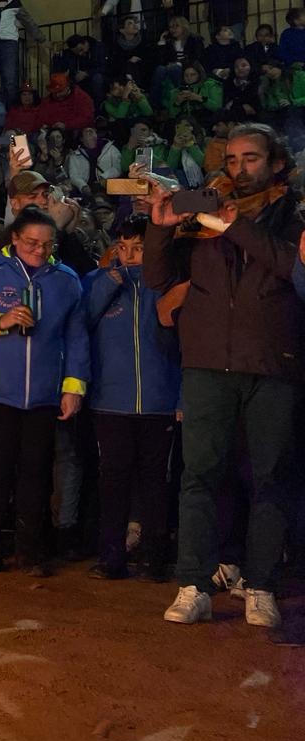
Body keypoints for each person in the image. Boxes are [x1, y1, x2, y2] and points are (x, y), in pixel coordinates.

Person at [145, 124, 300, 629]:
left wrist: (233, 225)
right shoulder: (201, 211)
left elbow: (290, 267)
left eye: (251, 158)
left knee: (271, 479)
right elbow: (156, 277)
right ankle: (194, 583)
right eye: (232, 159)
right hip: (208, 362)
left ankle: (261, 586)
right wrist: (162, 225)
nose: (239, 168)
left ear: (276, 163)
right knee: (199, 477)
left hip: (271, 364)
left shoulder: (291, 213)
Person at [0, 208, 89, 576]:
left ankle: (31, 551)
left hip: (44, 396)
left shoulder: (66, 280)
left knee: (37, 473)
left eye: (47, 244)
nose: (40, 250)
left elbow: (77, 338)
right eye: (31, 242)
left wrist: (73, 387)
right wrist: (0, 321)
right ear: (14, 238)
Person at [82, 216, 179, 582]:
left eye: (138, 247)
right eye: (123, 247)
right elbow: (84, 319)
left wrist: (181, 395)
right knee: (113, 482)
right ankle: (112, 558)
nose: (130, 255)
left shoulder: (164, 285)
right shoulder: (100, 282)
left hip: (159, 403)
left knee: (157, 483)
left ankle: (155, 559)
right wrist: (110, 279)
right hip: (110, 403)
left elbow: (186, 345)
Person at [65, 126, 122, 192]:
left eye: (93, 132)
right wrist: (83, 186)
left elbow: (117, 168)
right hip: (85, 190)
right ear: (81, 139)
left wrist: (103, 177)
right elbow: (74, 176)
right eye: (88, 133)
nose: (91, 135)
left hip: (106, 188)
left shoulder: (111, 149)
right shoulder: (75, 156)